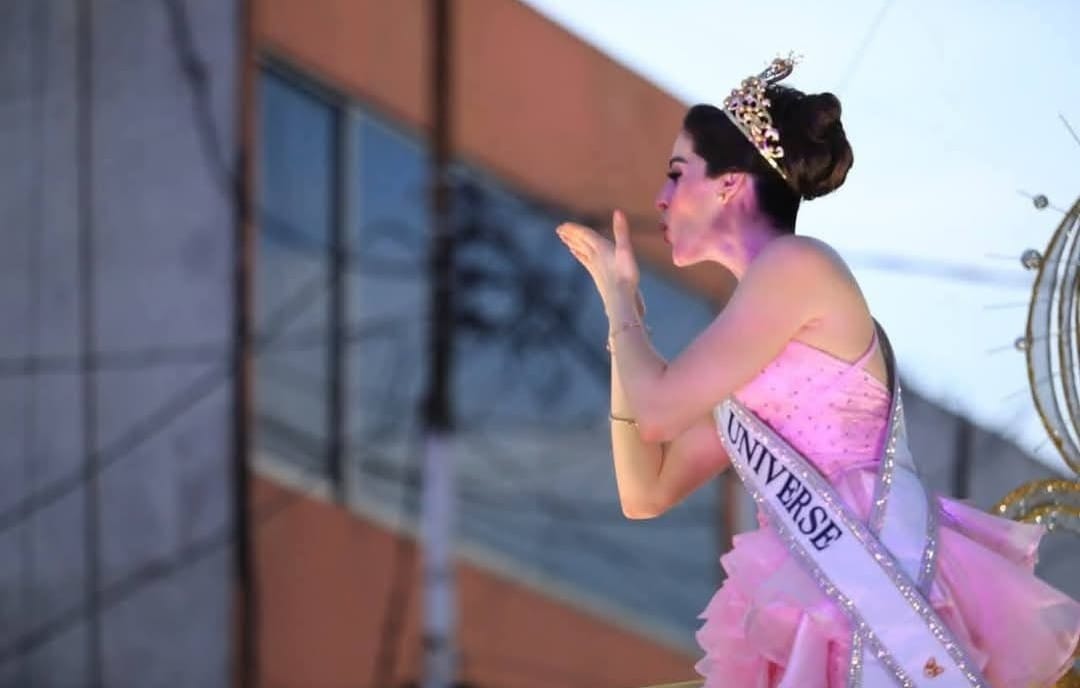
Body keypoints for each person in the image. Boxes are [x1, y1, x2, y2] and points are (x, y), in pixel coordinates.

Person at [555, 56, 1080, 688]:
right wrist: (620, 305)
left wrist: (625, 312)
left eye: (677, 173)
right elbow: (647, 491)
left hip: (869, 577)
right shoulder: (755, 332)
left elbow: (658, 413)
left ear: (729, 183)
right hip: (820, 590)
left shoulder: (797, 266)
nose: (660, 199)